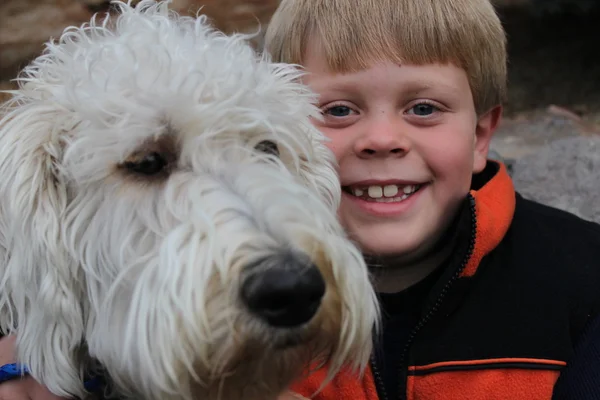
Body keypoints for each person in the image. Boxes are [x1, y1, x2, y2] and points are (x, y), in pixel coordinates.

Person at [0, 0, 599, 399]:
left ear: (482, 133)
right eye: (150, 165)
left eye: (264, 148)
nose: (383, 139)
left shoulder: (578, 280)